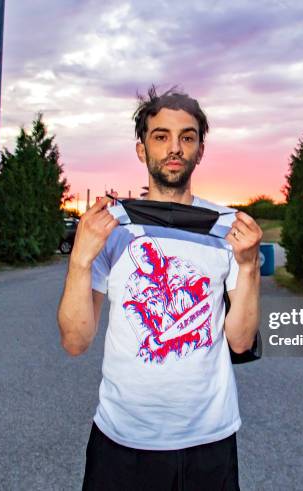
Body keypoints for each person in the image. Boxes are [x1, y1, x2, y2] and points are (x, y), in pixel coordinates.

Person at [57, 86, 262, 490]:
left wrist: (248, 265)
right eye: (161, 136)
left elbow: (240, 342)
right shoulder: (113, 228)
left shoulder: (226, 228)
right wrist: (80, 258)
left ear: (200, 150)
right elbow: (75, 341)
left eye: (187, 137)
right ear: (141, 149)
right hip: (123, 441)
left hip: (209, 439)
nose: (175, 148)